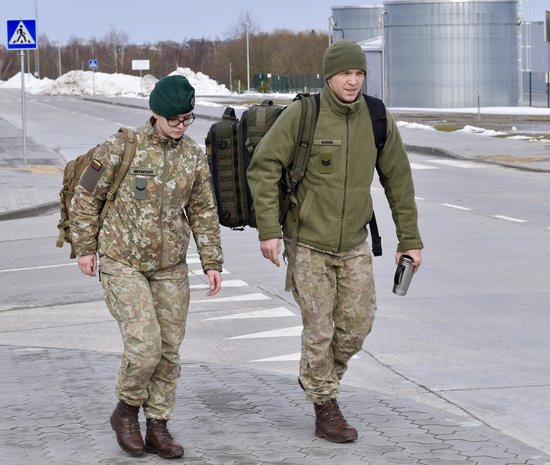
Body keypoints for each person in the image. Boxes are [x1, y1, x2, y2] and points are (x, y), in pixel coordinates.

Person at [247, 40, 423, 443]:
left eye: (359, 73)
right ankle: (325, 406)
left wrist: (409, 239)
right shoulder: (304, 114)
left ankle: (315, 376)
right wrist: (269, 231)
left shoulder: (376, 117)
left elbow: (398, 179)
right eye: (346, 73)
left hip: (354, 242)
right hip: (307, 241)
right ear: (329, 76)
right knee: (320, 328)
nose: (353, 81)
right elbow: (264, 167)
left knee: (358, 326)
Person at [70, 75, 223, 459]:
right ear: (155, 113)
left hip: (170, 266)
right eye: (174, 119)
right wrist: (85, 247)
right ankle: (125, 412)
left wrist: (211, 260)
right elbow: (86, 196)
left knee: (169, 350)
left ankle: (158, 425)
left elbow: (203, 210)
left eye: (187, 119)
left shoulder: (192, 156)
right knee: (145, 346)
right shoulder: (122, 147)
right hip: (123, 262)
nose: (181, 126)